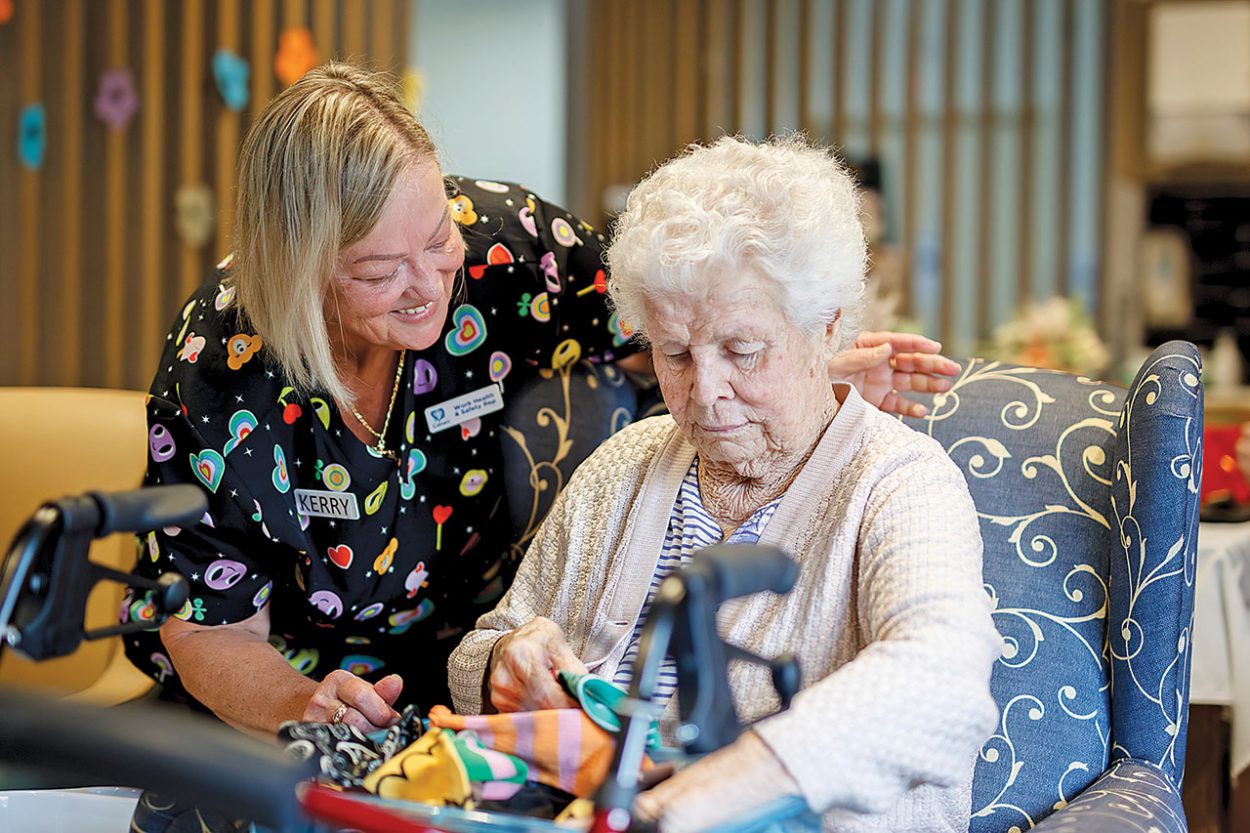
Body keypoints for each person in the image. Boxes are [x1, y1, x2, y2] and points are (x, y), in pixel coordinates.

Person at [126, 63, 958, 739]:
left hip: (479, 674)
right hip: (301, 688)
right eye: (381, 272)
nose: (429, 288)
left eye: (438, 240)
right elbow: (206, 620)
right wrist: (295, 707)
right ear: (298, 273)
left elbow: (676, 308)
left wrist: (801, 356)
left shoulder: (505, 249)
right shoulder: (221, 366)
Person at [449, 137, 1002, 833]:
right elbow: (479, 652)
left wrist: (693, 798)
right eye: (673, 352)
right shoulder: (628, 462)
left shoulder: (899, 484)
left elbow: (942, 683)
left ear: (826, 326)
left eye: (741, 350)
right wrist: (505, 660)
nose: (704, 392)